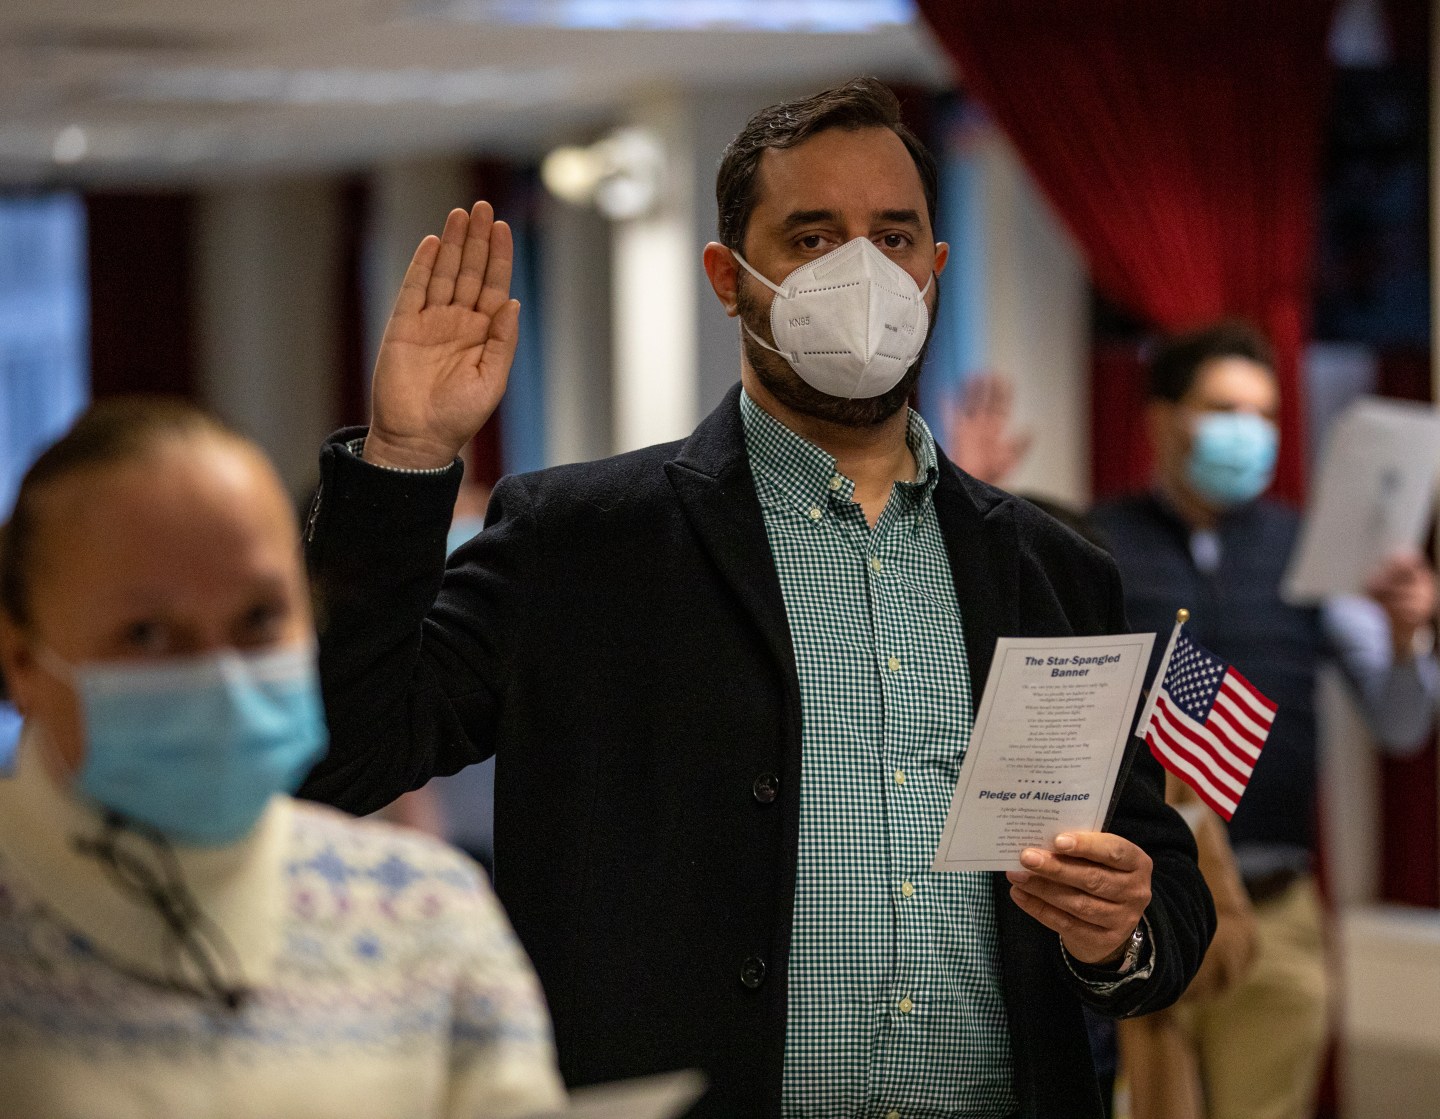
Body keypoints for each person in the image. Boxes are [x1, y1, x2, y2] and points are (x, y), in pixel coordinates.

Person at [299, 79, 1214, 1119]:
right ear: (729, 278)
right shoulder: (584, 541)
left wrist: (1118, 930)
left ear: (934, 270)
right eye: (813, 237)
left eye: (894, 237)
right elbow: (344, 751)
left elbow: (1164, 895)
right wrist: (407, 460)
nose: (862, 272)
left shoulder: (1054, 568)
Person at [0, 399, 566, 1119]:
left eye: (260, 618)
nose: (220, 674)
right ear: (22, 658)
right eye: (146, 632)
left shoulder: (429, 916)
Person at [1089, 320, 1437, 1119]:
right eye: (1223, 407)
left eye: (1265, 413)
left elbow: (1400, 722)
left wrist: (1409, 638)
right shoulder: (1096, 543)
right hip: (1145, 905)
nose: (1249, 432)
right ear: (1160, 417)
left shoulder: (1313, 551)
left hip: (1277, 912)